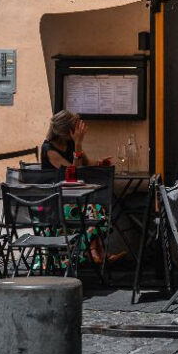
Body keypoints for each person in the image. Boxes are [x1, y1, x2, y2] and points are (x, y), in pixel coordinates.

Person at [39, 110, 114, 264]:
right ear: (67, 131)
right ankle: (94, 252)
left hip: (71, 199)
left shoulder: (70, 143)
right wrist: (79, 143)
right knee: (93, 209)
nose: (78, 131)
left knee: (98, 208)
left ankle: (97, 251)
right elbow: (74, 172)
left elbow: (85, 162)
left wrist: (99, 163)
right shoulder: (49, 151)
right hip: (55, 204)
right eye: (75, 127)